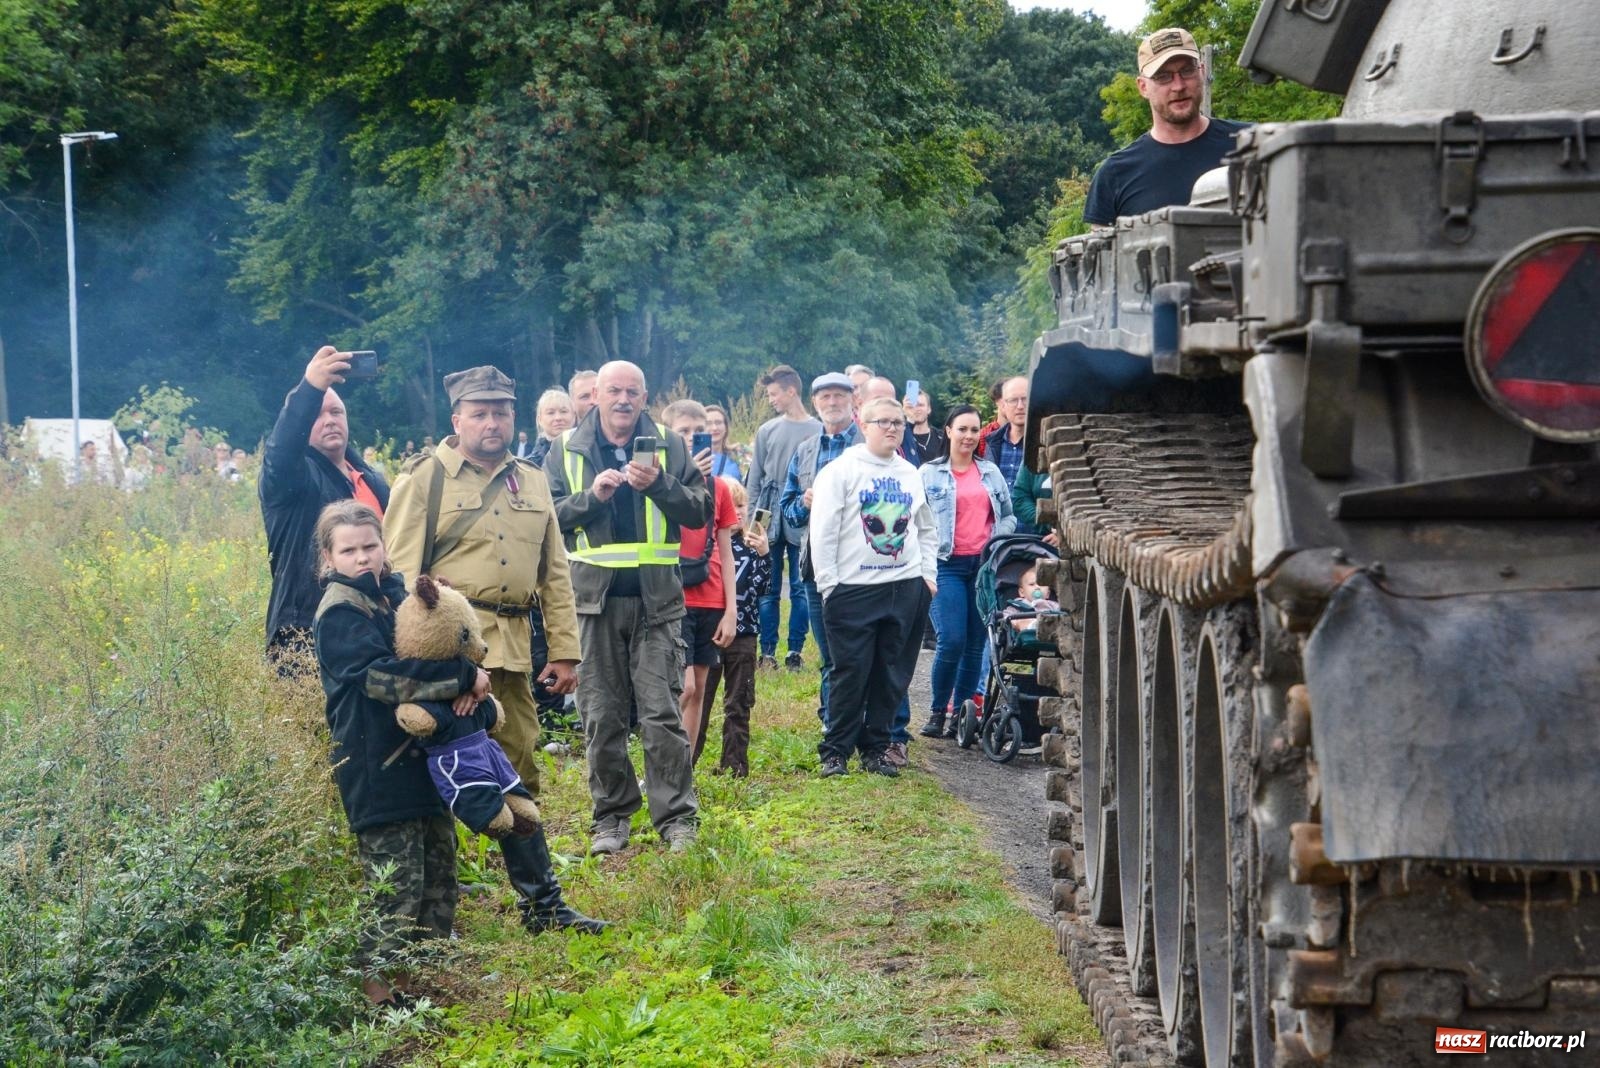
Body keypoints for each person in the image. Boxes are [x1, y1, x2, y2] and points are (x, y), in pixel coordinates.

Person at [312, 503, 602, 1010]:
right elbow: (383, 678)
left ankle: (420, 983)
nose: (362, 558)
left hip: (423, 756)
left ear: (383, 545)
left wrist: (465, 679)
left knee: (438, 874)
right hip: (374, 765)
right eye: (349, 550)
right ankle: (376, 996)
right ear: (328, 557)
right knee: (395, 886)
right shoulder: (340, 611)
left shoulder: (392, 594)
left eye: (369, 546)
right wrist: (464, 680)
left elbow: (438, 638)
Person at [383, 365, 581, 805]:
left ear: (514, 417)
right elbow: (399, 580)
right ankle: (458, 868)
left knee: (521, 760)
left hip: (514, 649)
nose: (491, 423)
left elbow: (554, 573)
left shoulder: (532, 478)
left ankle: (526, 867)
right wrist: (419, 668)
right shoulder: (425, 479)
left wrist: (565, 652)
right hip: (449, 654)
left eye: (501, 413)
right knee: (449, 767)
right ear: (456, 421)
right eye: (479, 414)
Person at [544, 360, 710, 854]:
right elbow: (547, 518)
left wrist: (658, 485)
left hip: (657, 602)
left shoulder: (670, 442)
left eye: (631, 392)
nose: (622, 400)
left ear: (644, 396)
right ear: (595, 395)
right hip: (592, 605)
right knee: (601, 715)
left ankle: (676, 819)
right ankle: (611, 818)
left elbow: (702, 509)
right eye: (612, 391)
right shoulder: (565, 448)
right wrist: (591, 498)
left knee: (661, 715)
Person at [811, 396, 936, 778]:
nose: (892, 428)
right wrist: (829, 584)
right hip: (853, 588)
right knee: (850, 672)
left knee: (892, 673)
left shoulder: (909, 473)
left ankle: (877, 747)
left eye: (897, 422)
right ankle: (836, 751)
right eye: (882, 422)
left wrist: (927, 577)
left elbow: (926, 528)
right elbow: (824, 530)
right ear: (862, 425)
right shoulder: (841, 471)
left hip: (904, 588)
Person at [260, 346, 391, 662]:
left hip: (371, 631)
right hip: (305, 635)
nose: (329, 420)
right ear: (303, 424)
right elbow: (280, 452)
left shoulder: (371, 479)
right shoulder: (292, 480)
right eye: (317, 414)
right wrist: (310, 390)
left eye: (336, 412)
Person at [1083, 28, 1249, 227]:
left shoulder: (1251, 145)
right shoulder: (1115, 175)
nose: (1178, 86)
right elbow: (1101, 255)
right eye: (1163, 76)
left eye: (1187, 71)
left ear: (1202, 72)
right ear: (1143, 87)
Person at [919, 404, 1017, 739]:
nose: (969, 436)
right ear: (948, 431)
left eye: (974, 430)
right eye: (962, 429)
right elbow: (916, 521)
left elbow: (1008, 514)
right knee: (951, 641)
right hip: (945, 564)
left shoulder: (990, 472)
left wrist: (996, 540)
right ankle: (936, 712)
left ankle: (963, 716)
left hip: (982, 567)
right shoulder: (928, 474)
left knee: (976, 643)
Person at [778, 372, 858, 732]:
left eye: (840, 396)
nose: (833, 403)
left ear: (852, 400)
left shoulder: (867, 445)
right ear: (815, 403)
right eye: (825, 397)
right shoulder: (806, 450)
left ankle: (872, 726)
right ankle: (832, 723)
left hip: (861, 562)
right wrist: (806, 503)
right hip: (814, 563)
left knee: (861, 649)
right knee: (828, 651)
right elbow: (787, 506)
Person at [661, 399, 737, 763]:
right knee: (683, 686)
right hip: (674, 599)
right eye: (683, 433)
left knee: (702, 687)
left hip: (711, 598)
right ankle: (665, 762)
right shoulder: (659, 486)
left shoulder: (719, 488)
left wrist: (731, 610)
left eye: (698, 431)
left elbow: (726, 549)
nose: (693, 439)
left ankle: (684, 770)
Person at [745, 364, 821, 671]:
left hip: (804, 507)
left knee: (802, 584)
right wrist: (751, 521)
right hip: (768, 506)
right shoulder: (767, 430)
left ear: (791, 391)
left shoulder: (818, 430)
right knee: (768, 584)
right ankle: (768, 652)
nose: (771, 400)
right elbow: (755, 478)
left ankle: (795, 651)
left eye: (774, 393)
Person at [696, 477, 770, 776]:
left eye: (742, 505)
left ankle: (735, 765)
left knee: (739, 702)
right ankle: (687, 760)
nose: (738, 513)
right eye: (731, 505)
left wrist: (765, 553)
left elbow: (764, 588)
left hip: (744, 634)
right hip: (710, 632)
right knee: (700, 700)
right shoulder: (708, 545)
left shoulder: (751, 545)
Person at [982, 376, 1030, 492]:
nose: (1020, 406)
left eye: (1025, 399)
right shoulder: (992, 442)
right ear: (1003, 406)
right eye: (1013, 400)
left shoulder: (1043, 443)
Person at [903, 389, 946, 467]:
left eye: (920, 405)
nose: (916, 409)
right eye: (912, 405)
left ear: (929, 409)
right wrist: (909, 417)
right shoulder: (902, 438)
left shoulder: (942, 437)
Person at [704, 403, 741, 480]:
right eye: (708, 423)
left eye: (718, 422)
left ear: (726, 427)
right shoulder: (693, 459)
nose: (714, 428)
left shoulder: (738, 455)